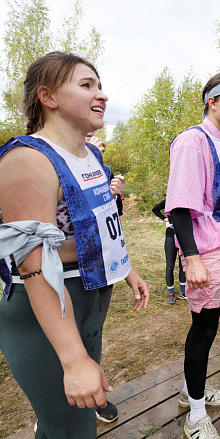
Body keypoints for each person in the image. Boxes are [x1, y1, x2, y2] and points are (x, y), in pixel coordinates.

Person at [0, 51, 149, 439]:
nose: (100, 94)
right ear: (47, 96)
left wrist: (127, 269)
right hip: (47, 308)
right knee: (75, 431)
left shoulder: (92, 156)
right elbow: (35, 268)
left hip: (92, 296)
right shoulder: (27, 162)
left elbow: (101, 226)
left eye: (99, 85)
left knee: (60, 430)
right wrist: (72, 358)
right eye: (86, 85)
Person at [165, 73, 220, 439]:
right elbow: (181, 206)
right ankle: (196, 417)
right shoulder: (192, 141)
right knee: (202, 331)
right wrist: (192, 257)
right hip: (204, 250)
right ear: (211, 102)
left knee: (207, 326)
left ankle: (191, 391)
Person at [85, 131, 126, 423]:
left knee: (93, 333)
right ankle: (53, 408)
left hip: (103, 265)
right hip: (67, 273)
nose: (94, 136)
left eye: (96, 135)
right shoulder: (47, 161)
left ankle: (94, 395)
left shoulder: (105, 170)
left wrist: (114, 194)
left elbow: (112, 216)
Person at [152, 198, 186, 304]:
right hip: (170, 236)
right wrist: (165, 219)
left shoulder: (186, 200)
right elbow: (155, 209)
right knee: (170, 265)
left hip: (183, 236)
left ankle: (183, 292)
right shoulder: (169, 199)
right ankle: (171, 293)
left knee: (182, 265)